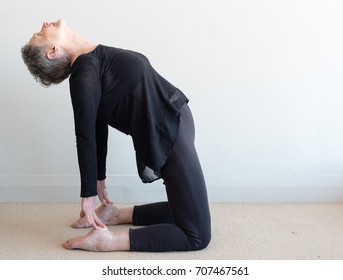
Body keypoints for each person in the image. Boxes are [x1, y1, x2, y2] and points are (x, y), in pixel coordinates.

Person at [21, 19, 211, 252]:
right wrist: (88, 195)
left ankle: (115, 214)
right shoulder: (84, 71)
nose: (44, 23)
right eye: (40, 33)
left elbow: (100, 123)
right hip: (169, 136)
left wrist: (99, 177)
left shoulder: (93, 58)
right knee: (197, 235)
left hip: (173, 126)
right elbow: (86, 135)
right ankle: (108, 241)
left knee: (191, 210)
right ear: (53, 51)